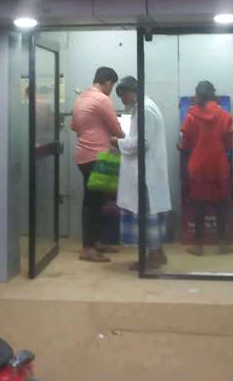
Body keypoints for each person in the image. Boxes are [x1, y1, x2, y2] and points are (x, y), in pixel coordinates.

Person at [112, 76, 171, 270]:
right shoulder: (146, 106)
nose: (122, 100)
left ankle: (152, 257)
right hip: (150, 171)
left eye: (123, 95)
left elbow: (142, 143)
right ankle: (158, 253)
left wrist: (117, 142)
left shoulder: (144, 109)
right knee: (151, 213)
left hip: (146, 175)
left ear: (131, 92)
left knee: (146, 216)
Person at [71, 67, 125, 263]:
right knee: (93, 203)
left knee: (97, 200)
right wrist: (126, 137)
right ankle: (88, 248)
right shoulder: (102, 99)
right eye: (112, 85)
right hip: (96, 157)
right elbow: (116, 129)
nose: (112, 90)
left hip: (83, 156)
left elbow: (74, 126)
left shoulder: (81, 99)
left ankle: (95, 242)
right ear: (108, 83)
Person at [178, 80, 233, 256]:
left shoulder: (191, 117)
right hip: (219, 166)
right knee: (221, 205)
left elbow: (186, 143)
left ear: (199, 96)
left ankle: (199, 246)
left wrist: (180, 146)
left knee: (199, 206)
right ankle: (223, 244)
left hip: (198, 166)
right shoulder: (225, 116)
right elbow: (228, 143)